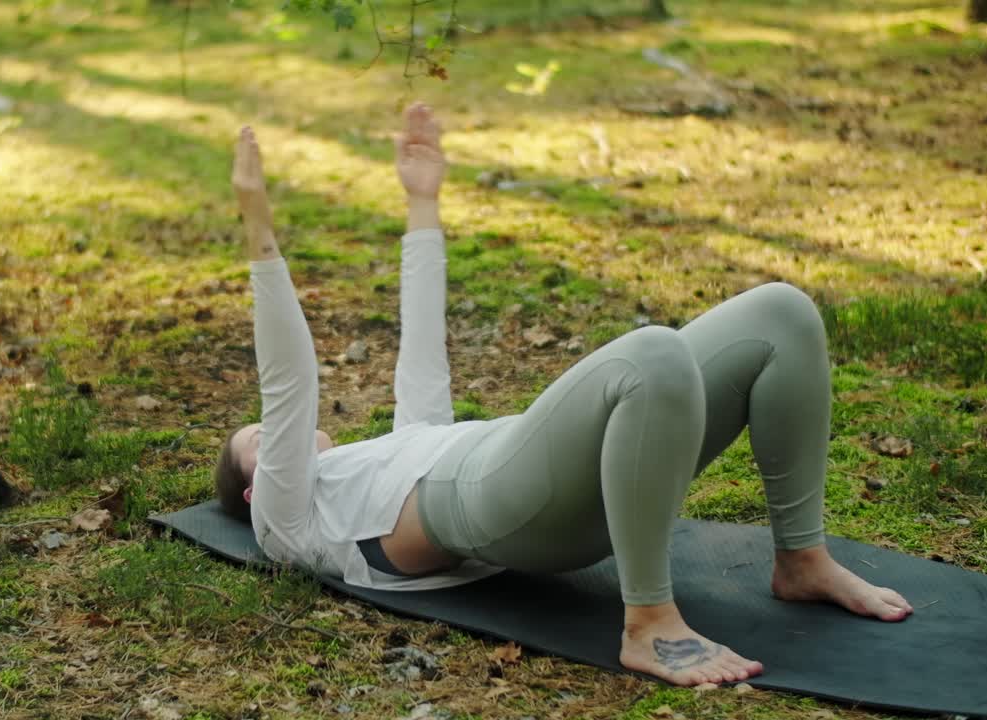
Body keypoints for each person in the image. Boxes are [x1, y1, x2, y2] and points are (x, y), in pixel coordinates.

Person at [216, 103, 913, 687]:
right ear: (255, 491)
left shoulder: (384, 455)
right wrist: (257, 225)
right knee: (651, 353)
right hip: (499, 506)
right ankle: (649, 623)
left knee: (781, 313)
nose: (275, 438)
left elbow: (423, 351)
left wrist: (423, 202)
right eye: (259, 442)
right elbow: (288, 385)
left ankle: (802, 558)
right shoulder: (287, 520)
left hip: (537, 468)